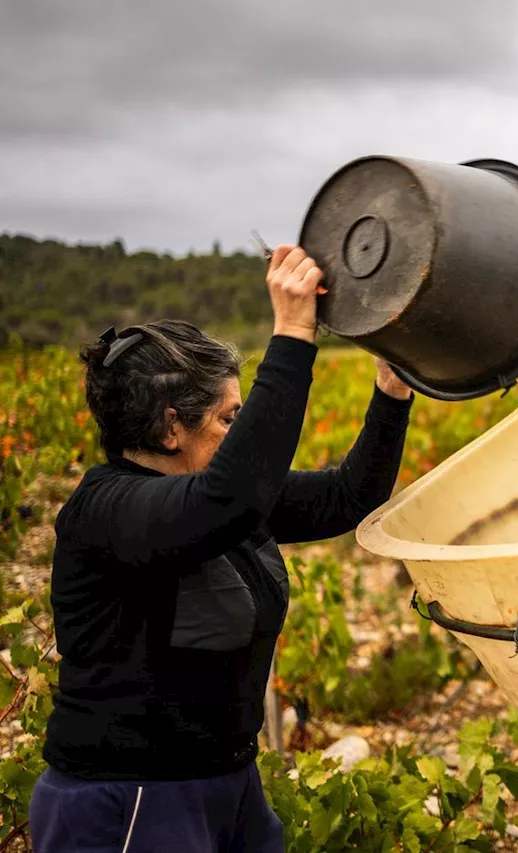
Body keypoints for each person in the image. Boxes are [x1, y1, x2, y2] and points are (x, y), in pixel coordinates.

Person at [29, 245, 415, 853]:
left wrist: (391, 394)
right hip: (127, 802)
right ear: (170, 427)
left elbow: (348, 497)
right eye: (228, 419)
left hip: (226, 785)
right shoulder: (109, 512)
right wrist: (292, 334)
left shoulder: (216, 498)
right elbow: (228, 500)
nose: (239, 435)